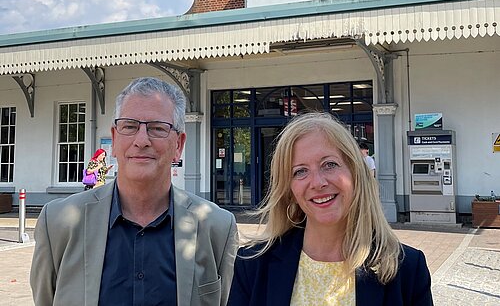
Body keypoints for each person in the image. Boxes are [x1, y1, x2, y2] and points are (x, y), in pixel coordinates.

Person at [31, 77, 239, 306]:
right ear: (114, 137)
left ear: (178, 145)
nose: (141, 140)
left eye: (158, 128)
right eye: (129, 126)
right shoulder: (58, 224)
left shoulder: (217, 228)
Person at [228, 112, 432, 306]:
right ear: (289, 190)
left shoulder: (407, 270)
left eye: (329, 165)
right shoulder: (252, 266)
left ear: (355, 174)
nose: (317, 182)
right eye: (300, 171)